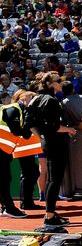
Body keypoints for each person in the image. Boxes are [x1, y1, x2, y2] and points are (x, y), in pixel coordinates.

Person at [26, 72, 76, 227]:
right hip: (56, 143)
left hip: (47, 142)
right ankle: (49, 216)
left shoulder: (35, 99)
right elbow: (54, 126)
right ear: (52, 83)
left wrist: (41, 137)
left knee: (51, 179)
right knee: (55, 180)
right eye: (58, 80)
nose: (61, 83)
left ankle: (51, 213)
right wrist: (69, 130)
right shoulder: (51, 100)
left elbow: (29, 123)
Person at [0, 89, 39, 218]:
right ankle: (9, 208)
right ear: (24, 99)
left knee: (4, 178)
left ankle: (5, 207)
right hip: (1, 149)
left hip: (4, 150)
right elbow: (15, 127)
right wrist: (24, 130)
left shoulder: (22, 111)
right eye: (33, 100)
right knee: (4, 178)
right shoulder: (14, 108)